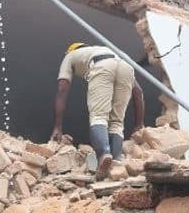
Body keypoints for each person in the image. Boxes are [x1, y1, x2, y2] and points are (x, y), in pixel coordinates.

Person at [49, 42, 144, 181]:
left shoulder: (70, 55)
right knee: (117, 122)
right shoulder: (106, 51)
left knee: (99, 116)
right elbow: (139, 92)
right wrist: (139, 124)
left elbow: (62, 88)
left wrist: (57, 126)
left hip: (101, 66)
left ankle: (104, 155)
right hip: (125, 67)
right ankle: (116, 164)